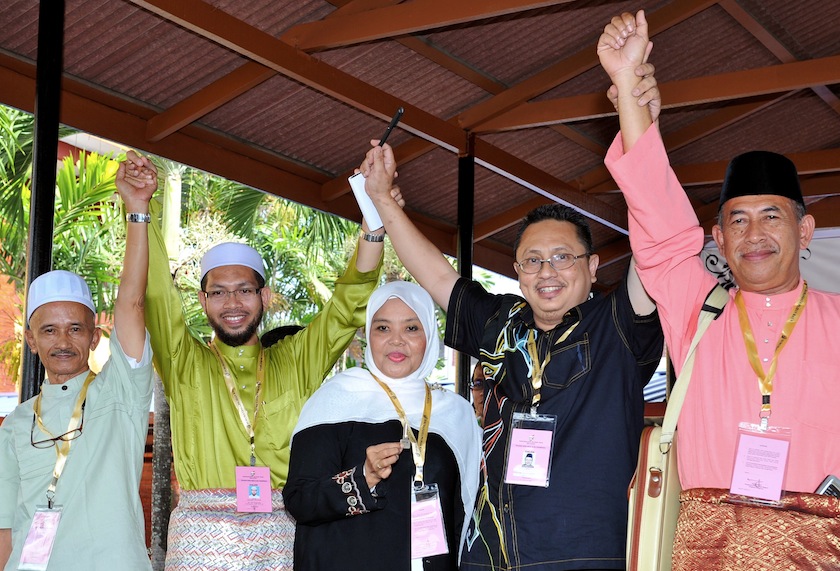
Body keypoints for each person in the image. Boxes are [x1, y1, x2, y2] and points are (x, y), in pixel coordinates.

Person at [360, 114, 664, 568]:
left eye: (563, 258)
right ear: (518, 272)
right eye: (532, 261)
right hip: (489, 552)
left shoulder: (618, 321)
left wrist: (639, 122)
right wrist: (382, 198)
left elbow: (655, 236)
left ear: (594, 266)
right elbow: (438, 274)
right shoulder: (504, 322)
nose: (547, 272)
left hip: (580, 554)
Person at [599, 10, 840, 569]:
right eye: (737, 221)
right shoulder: (697, 308)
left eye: (771, 217)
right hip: (709, 550)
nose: (754, 235)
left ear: (804, 231)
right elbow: (657, 219)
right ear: (719, 238)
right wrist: (629, 90)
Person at [117, 151, 389, 570]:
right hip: (200, 541)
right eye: (219, 292)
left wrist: (373, 221)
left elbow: (348, 307)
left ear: (263, 297)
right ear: (203, 301)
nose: (232, 303)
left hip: (278, 537)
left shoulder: (297, 359)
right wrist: (139, 210)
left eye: (243, 290)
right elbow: (155, 297)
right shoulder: (184, 362)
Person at [0, 196, 154, 570]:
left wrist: (136, 209)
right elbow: (6, 528)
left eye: (75, 329)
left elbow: (132, 304)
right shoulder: (17, 423)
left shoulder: (121, 391)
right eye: (49, 331)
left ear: (94, 338)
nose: (64, 342)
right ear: (32, 341)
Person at [285, 281, 482, 571]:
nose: (397, 340)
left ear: (430, 333)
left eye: (411, 328)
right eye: (383, 328)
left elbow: (464, 516)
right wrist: (362, 478)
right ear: (367, 335)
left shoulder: (455, 413)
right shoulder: (336, 399)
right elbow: (299, 499)